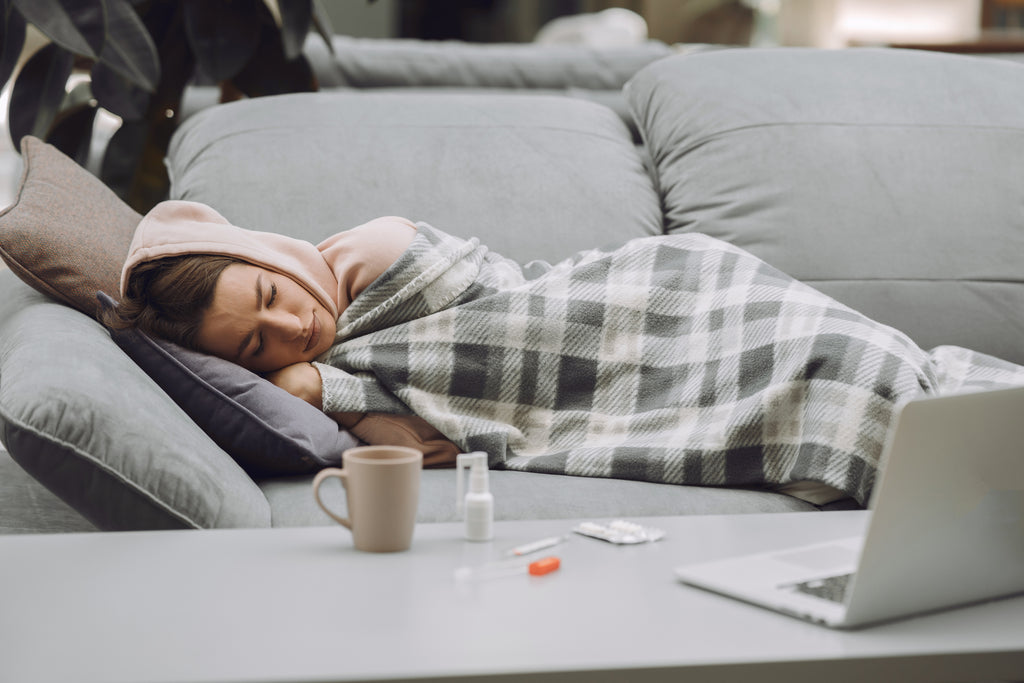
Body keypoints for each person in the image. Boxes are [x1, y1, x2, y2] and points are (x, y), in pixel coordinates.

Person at [110, 200, 1024, 506]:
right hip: (621, 369)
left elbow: (499, 332)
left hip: (671, 299)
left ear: (270, 257)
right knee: (899, 417)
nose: (291, 332)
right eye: (257, 348)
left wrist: (329, 381)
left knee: (838, 363)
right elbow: (430, 426)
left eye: (272, 297)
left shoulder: (376, 252)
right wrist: (343, 391)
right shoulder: (325, 359)